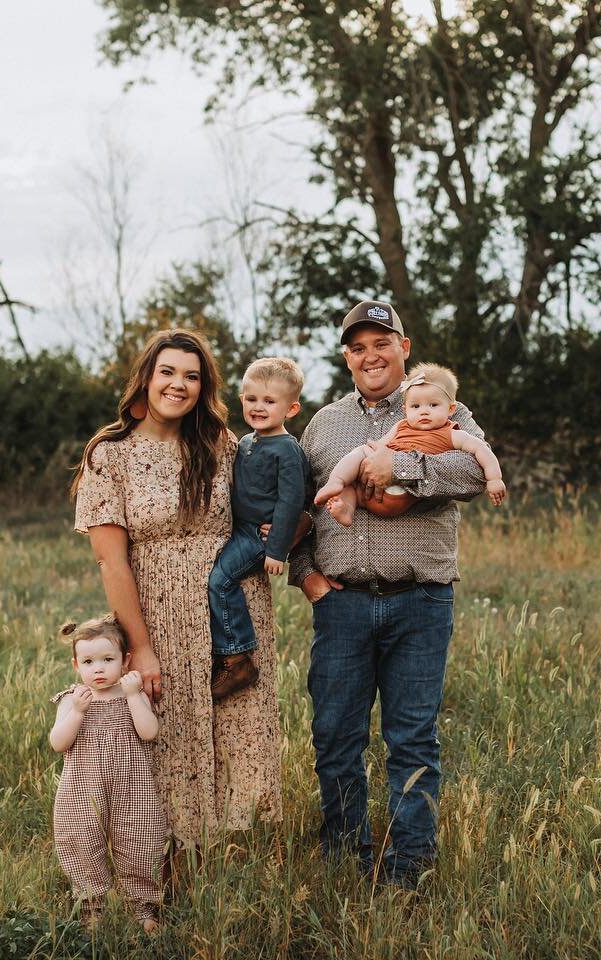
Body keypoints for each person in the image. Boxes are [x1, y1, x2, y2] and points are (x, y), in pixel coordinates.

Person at [288, 300, 488, 887]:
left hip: (420, 599)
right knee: (336, 733)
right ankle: (347, 859)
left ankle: (408, 868)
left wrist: (396, 466)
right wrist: (307, 577)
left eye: (383, 342)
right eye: (358, 346)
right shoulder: (324, 424)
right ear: (346, 356)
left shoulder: (440, 409)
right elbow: (298, 508)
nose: (370, 354)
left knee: (412, 737)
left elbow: (475, 473)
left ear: (404, 346)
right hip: (342, 600)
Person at [70, 329, 282, 855]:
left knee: (242, 724)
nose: (179, 385)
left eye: (192, 376)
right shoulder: (109, 454)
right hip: (156, 610)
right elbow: (111, 560)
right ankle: (167, 856)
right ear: (146, 377)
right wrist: (139, 647)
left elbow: (272, 497)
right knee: (166, 730)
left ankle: (241, 856)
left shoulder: (223, 445)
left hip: (233, 606)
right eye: (168, 371)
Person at [49, 615, 168, 933]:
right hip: (83, 785)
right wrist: (77, 712)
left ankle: (143, 907)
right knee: (82, 839)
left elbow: (149, 732)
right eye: (88, 661)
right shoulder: (73, 700)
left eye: (107, 659)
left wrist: (133, 696)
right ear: (76, 665)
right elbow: (58, 743)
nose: (98, 669)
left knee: (140, 839)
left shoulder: (132, 695)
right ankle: (92, 908)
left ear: (125, 661)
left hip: (132, 784)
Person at [207, 357, 310, 701]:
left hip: (259, 536)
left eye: (269, 401)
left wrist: (277, 549)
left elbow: (291, 501)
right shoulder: (246, 442)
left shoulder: (287, 449)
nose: (259, 407)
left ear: (291, 408)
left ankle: (237, 657)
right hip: (238, 528)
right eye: (252, 399)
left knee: (221, 580)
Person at [312, 362, 506, 526]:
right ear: (406, 410)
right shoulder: (401, 426)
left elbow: (481, 451)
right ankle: (340, 493)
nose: (424, 411)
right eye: (416, 406)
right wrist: (368, 463)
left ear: (451, 409)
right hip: (370, 491)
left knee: (370, 464)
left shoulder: (452, 433)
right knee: (361, 453)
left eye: (433, 405)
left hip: (399, 493)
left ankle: (347, 493)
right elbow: (379, 447)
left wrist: (494, 479)